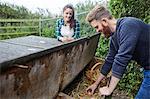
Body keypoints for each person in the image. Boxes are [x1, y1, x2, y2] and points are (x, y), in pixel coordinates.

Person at [85, 5, 150, 99]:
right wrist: (95, 84)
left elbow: (122, 59)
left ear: (104, 21)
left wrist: (109, 89)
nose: (97, 30)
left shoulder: (128, 25)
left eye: (97, 27)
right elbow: (109, 61)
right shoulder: (114, 39)